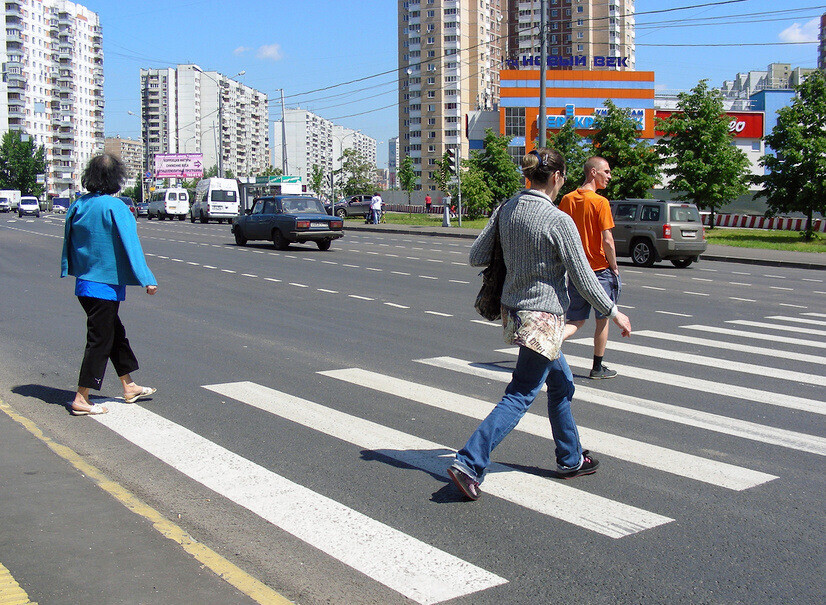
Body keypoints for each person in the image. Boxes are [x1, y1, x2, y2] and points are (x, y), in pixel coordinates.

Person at [447, 148, 631, 501]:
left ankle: (570, 457)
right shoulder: (557, 219)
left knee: (562, 385)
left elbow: (476, 257)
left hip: (515, 312)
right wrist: (612, 310)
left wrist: (516, 251)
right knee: (520, 394)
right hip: (543, 319)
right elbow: (583, 276)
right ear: (558, 178)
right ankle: (470, 462)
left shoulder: (508, 208)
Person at [61, 154, 158, 416]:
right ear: (116, 179)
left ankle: (129, 386)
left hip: (84, 285)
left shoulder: (78, 205)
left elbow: (69, 243)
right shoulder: (116, 208)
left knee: (113, 332)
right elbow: (131, 246)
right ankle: (82, 397)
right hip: (105, 287)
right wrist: (146, 278)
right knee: (100, 340)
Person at [558, 156, 621, 380]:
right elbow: (608, 240)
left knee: (576, 320)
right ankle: (597, 367)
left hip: (576, 270)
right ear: (593, 172)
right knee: (602, 319)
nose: (609, 176)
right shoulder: (600, 202)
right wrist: (613, 265)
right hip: (599, 270)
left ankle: (548, 342)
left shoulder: (567, 199)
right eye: (606, 171)